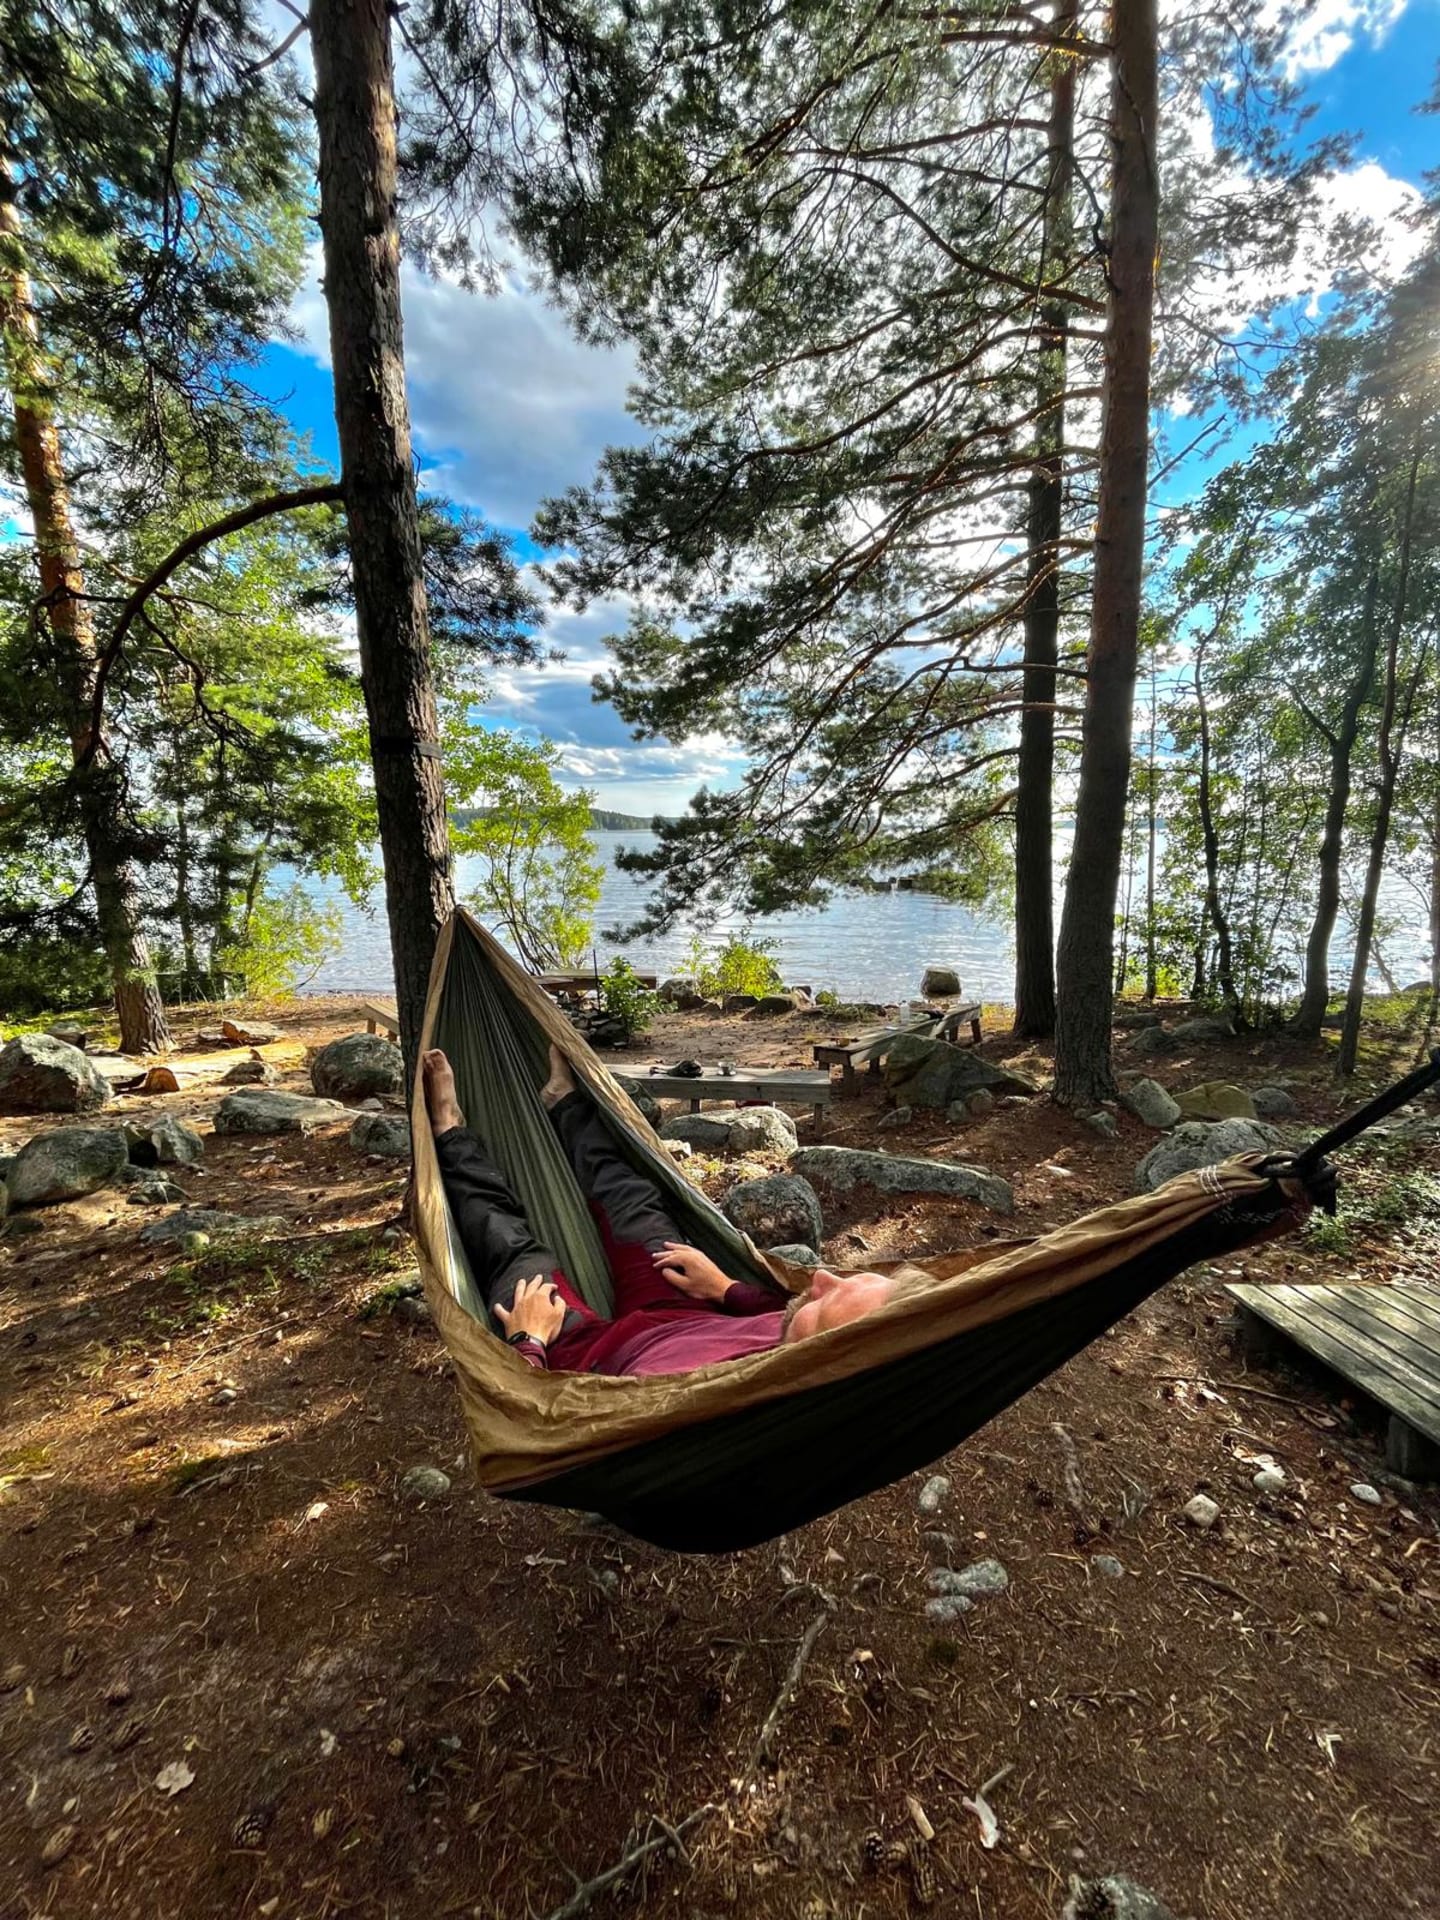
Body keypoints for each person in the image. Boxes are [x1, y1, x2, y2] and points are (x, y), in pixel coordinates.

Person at [423, 1045, 899, 1376]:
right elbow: (783, 1306)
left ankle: (450, 1133)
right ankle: (564, 1104)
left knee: (513, 1254)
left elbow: (540, 1423)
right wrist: (727, 1288)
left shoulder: (738, 1409)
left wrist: (528, 1343)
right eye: (844, 1278)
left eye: (821, 1305)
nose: (818, 1279)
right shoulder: (808, 1333)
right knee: (634, 1203)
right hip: (685, 1308)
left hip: (593, 1359)